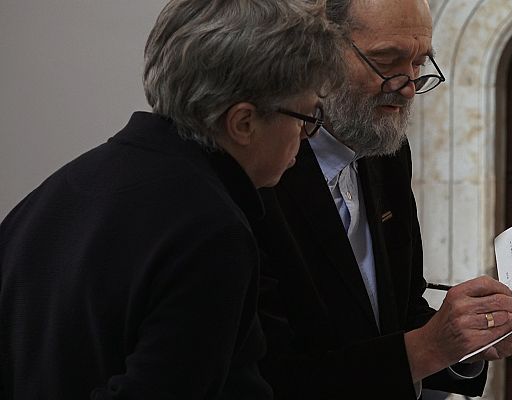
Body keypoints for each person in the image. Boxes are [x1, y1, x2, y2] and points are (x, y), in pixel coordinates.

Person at [0, 1, 344, 398]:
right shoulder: (211, 231)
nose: (307, 135)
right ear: (244, 122)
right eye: (307, 117)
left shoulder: (62, 188)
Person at [251, 0, 512, 398]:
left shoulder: (387, 152)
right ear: (316, 53)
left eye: (420, 64)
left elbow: (401, 312)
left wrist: (468, 343)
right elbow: (269, 374)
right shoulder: (260, 168)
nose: (408, 86)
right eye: (387, 61)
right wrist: (432, 345)